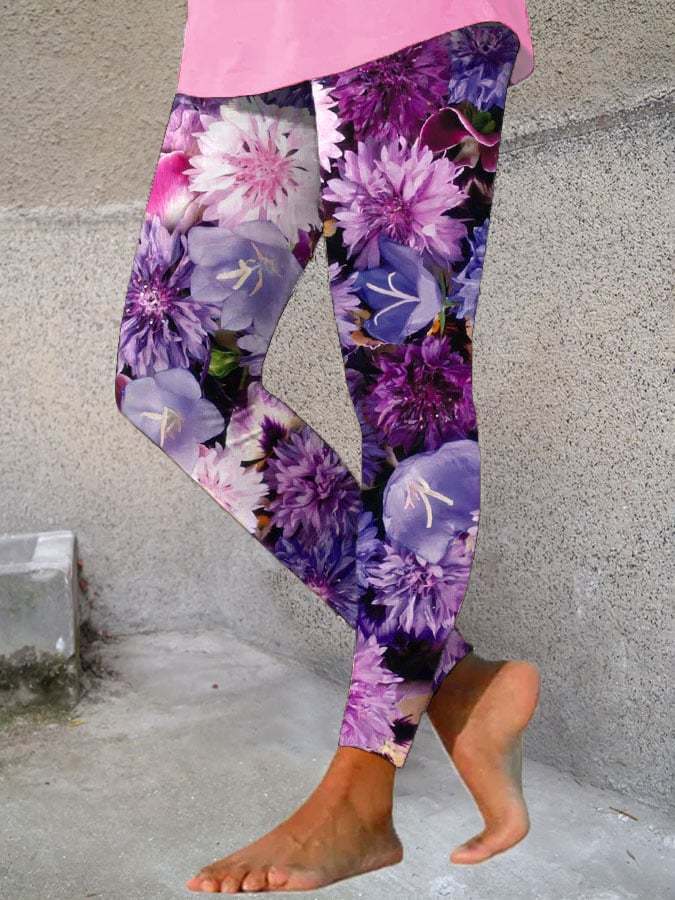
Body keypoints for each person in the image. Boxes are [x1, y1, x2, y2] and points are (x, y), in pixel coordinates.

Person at [114, 0, 541, 892]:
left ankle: (361, 790)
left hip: (408, 25)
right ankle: (454, 680)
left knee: (406, 391)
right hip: (243, 37)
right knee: (168, 381)